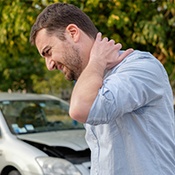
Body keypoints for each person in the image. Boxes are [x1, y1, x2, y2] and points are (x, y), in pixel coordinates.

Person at [30, 2, 175, 175]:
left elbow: (80, 109)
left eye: (48, 51)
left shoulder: (140, 66)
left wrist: (97, 61)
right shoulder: (90, 81)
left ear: (73, 33)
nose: (49, 65)